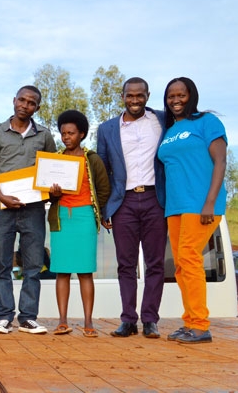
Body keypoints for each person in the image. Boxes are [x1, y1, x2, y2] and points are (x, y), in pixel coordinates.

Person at [157, 77, 227, 344]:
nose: (176, 100)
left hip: (200, 204)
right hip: (175, 206)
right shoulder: (170, 130)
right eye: (171, 96)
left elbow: (220, 161)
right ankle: (190, 322)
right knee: (181, 266)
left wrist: (209, 201)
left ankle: (200, 325)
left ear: (191, 96)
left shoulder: (207, 122)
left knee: (189, 258)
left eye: (181, 95)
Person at [96, 77, 167, 338]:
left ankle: (150, 320)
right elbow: (102, 170)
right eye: (130, 95)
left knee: (155, 263)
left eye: (140, 96)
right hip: (122, 202)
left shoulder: (162, 120)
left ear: (147, 95)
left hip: (155, 200)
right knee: (125, 264)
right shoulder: (107, 129)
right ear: (122, 96)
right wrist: (104, 209)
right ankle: (128, 320)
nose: (134, 100)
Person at [0, 85, 56, 335]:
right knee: (2, 264)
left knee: (33, 265)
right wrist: (1, 195)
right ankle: (4, 316)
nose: (25, 105)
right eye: (22, 100)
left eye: (31, 102)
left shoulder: (45, 136)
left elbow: (53, 168)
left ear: (37, 107)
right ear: (14, 100)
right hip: (2, 209)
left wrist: (54, 187)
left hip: (34, 209)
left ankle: (28, 318)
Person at [47, 110, 110, 337]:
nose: (66, 137)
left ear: (81, 134)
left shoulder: (92, 159)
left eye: (71, 133)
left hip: (84, 217)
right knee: (61, 271)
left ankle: (88, 322)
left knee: (85, 272)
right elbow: (45, 192)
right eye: (63, 133)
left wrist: (99, 213)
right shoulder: (55, 159)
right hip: (62, 217)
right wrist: (52, 194)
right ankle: (62, 321)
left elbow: (103, 189)